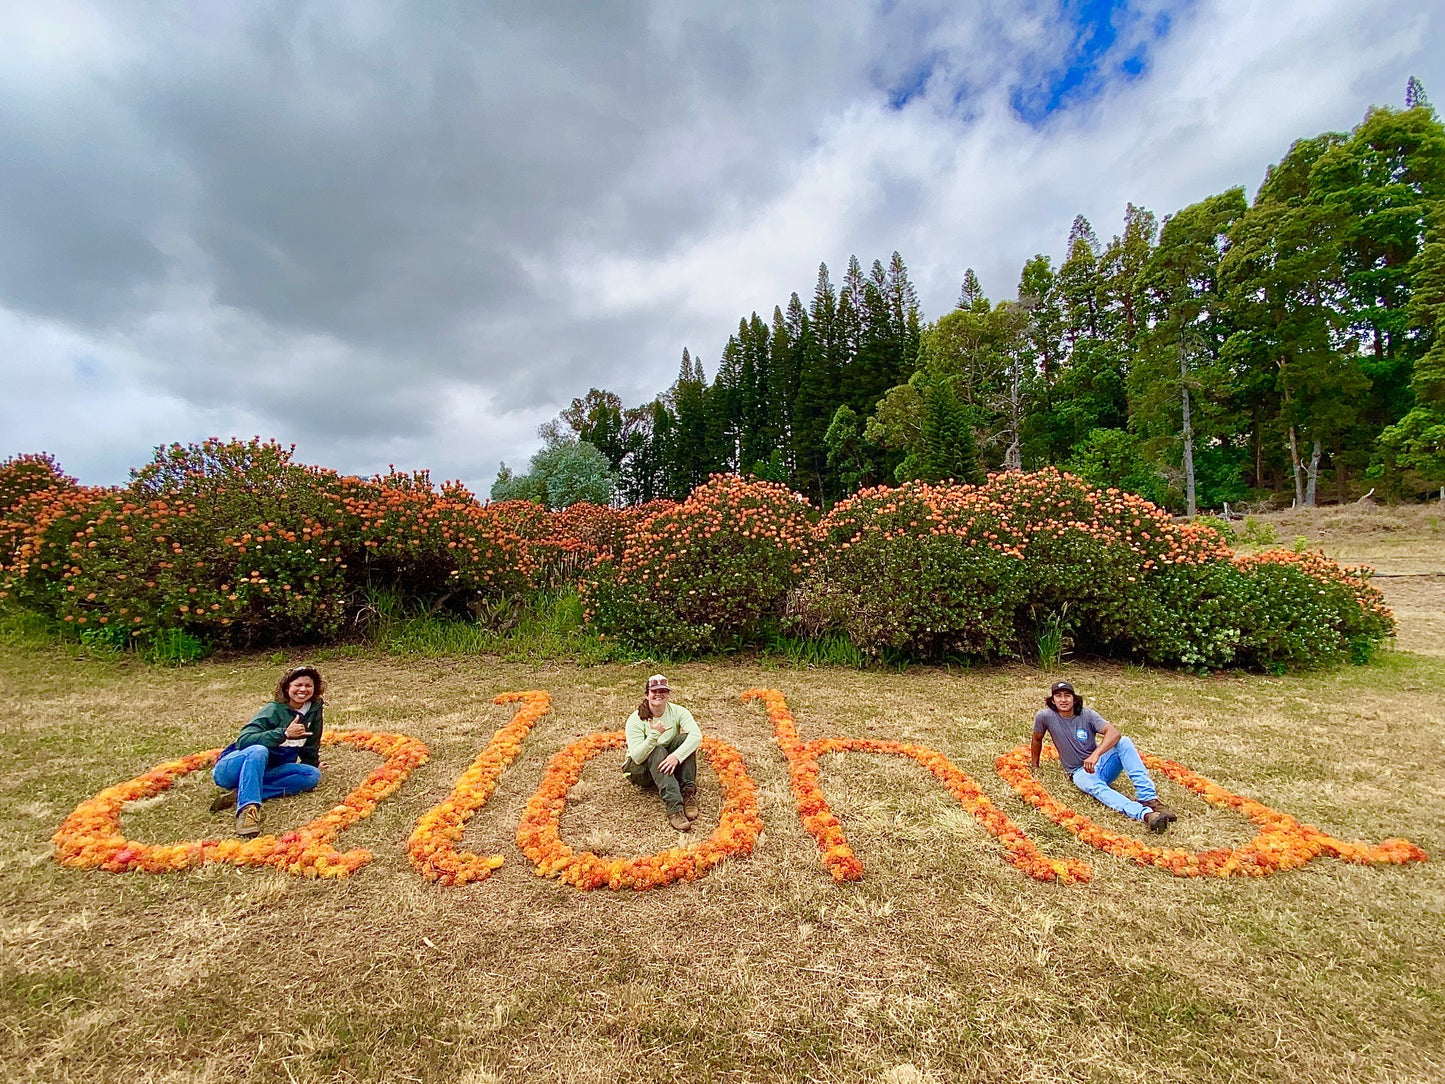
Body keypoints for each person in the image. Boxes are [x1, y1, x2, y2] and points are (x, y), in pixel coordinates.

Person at [1031, 681, 1177, 833]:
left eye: (1067, 695)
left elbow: (1114, 733)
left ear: (1074, 699)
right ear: (1053, 700)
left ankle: (1148, 798)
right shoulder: (1045, 716)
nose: (1063, 700)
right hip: (1079, 772)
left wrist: (1096, 755)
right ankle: (1146, 815)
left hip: (1100, 764)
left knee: (1124, 741)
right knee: (1098, 789)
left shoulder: (1087, 715)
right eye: (1058, 696)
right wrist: (1035, 766)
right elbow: (1036, 739)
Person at [208, 665, 325, 837]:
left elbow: (311, 743)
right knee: (259, 751)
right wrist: (284, 734)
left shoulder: (313, 710)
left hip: (265, 771)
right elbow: (244, 740)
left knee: (311, 775)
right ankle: (248, 810)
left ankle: (242, 793)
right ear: (287, 687)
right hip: (232, 769)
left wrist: (312, 763)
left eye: (308, 685)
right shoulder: (273, 709)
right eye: (298, 685)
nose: (303, 689)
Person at [623, 674, 703, 832]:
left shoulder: (678, 711)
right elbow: (637, 757)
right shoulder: (635, 720)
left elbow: (696, 736)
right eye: (654, 691)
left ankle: (688, 793)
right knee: (657, 749)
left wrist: (676, 756)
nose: (658, 694)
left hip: (665, 763)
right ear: (647, 695)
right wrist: (654, 735)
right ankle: (675, 807)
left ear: (668, 695)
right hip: (640, 771)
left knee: (685, 739)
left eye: (662, 691)